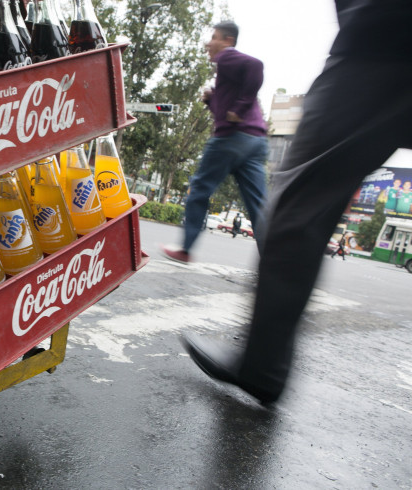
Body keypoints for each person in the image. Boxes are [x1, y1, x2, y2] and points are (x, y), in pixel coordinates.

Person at [180, 0, 412, 404]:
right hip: (383, 35)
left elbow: (253, 70)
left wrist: (233, 111)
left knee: (298, 199)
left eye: (213, 37)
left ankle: (262, 365)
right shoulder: (222, 67)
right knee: (271, 206)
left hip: (381, 37)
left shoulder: (232, 56)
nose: (209, 43)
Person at [162, 21, 267, 264]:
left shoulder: (227, 58)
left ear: (228, 41)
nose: (209, 43)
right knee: (258, 205)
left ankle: (185, 249)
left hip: (231, 139)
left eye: (214, 37)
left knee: (199, 189)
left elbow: (256, 65)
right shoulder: (227, 74)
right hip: (255, 141)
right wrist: (213, 100)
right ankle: (274, 260)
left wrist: (239, 108)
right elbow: (224, 112)